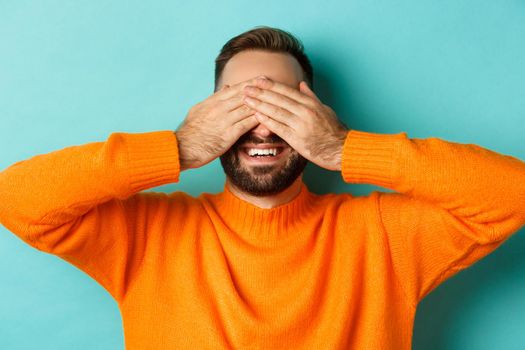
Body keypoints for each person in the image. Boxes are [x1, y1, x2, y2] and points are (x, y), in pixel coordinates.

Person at [0, 25, 524, 350]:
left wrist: (344, 149)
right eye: (239, 106)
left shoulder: (383, 237)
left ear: (314, 113)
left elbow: (513, 192)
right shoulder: (147, 236)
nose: (264, 127)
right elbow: (16, 199)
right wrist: (178, 148)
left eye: (283, 106)